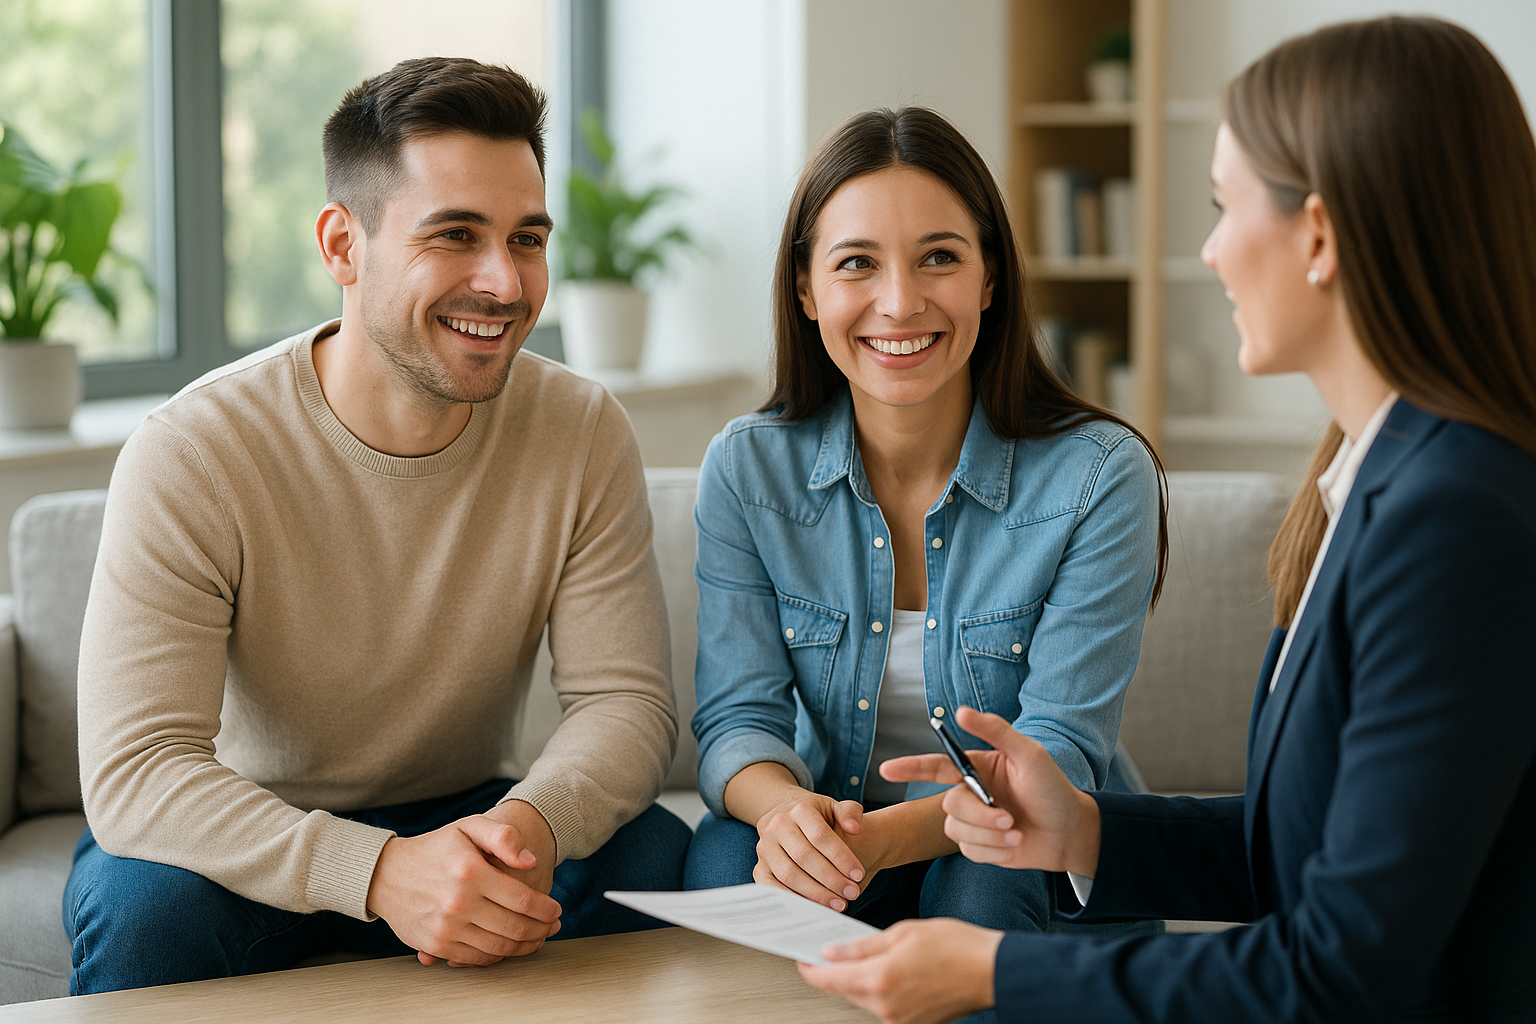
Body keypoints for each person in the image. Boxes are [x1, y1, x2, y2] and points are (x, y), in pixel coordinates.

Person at [799, 16, 1536, 1024]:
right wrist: (1089, 831)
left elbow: (1338, 973)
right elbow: (1318, 845)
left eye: (1224, 205)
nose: (1210, 248)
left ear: (1318, 235)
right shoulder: (1382, 486)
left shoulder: (1453, 524)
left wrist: (992, 971)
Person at [65, 57, 692, 994]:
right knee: (147, 914)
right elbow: (139, 770)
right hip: (255, 833)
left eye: (527, 239)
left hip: (474, 814)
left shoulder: (581, 429)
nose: (505, 282)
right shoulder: (193, 450)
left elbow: (626, 706)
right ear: (342, 245)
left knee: (652, 853)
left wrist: (525, 830)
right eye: (456, 235)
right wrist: (381, 873)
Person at [683, 104, 1169, 948]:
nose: (899, 303)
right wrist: (791, 815)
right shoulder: (745, 471)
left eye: (939, 258)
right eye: (856, 264)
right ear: (806, 288)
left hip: (1014, 838)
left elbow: (1057, 751)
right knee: (725, 858)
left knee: (985, 871)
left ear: (988, 279)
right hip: (843, 829)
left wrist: (882, 843)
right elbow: (739, 720)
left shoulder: (1099, 473)